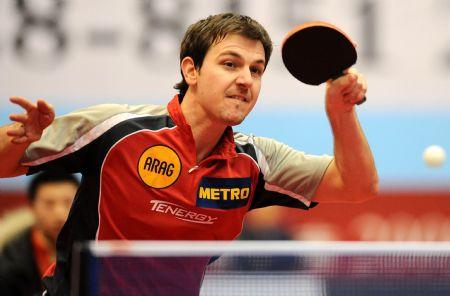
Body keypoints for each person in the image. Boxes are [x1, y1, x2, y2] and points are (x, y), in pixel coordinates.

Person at [0, 13, 378, 295]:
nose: (246, 79)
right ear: (191, 70)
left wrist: (341, 113)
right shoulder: (117, 129)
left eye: (257, 69)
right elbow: (6, 163)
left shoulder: (253, 161)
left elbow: (355, 185)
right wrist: (20, 139)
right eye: (230, 64)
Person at [0, 169, 79, 296]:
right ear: (32, 207)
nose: (59, 213)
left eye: (68, 202)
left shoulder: (92, 248)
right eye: (49, 204)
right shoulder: (10, 262)